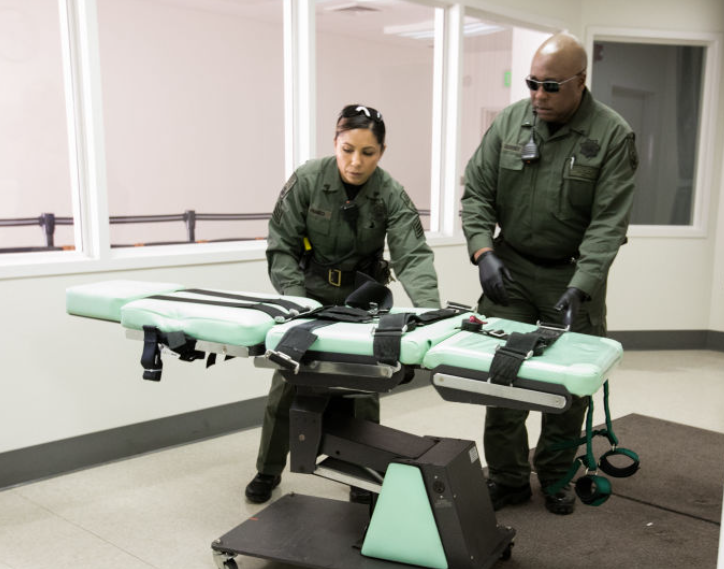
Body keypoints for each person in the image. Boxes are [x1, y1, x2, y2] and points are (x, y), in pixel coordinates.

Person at [461, 33, 637, 515]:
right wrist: (483, 252)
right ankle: (508, 478)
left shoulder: (612, 134)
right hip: (510, 269)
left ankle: (557, 475)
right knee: (502, 379)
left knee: (567, 386)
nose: (538, 95)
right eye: (532, 83)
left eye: (551, 86)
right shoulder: (511, 123)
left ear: (580, 82)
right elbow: (476, 193)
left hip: (572, 276)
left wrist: (583, 285)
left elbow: (608, 223)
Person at [245, 104, 441, 504]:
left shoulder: (389, 192)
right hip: (308, 293)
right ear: (335, 142)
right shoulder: (308, 179)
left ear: (381, 152)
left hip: (362, 298)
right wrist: (296, 302)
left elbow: (413, 255)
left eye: (367, 153)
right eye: (348, 149)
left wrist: (432, 314)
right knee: (288, 381)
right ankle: (267, 470)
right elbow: (280, 245)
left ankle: (362, 475)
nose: (356, 162)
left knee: (363, 387)